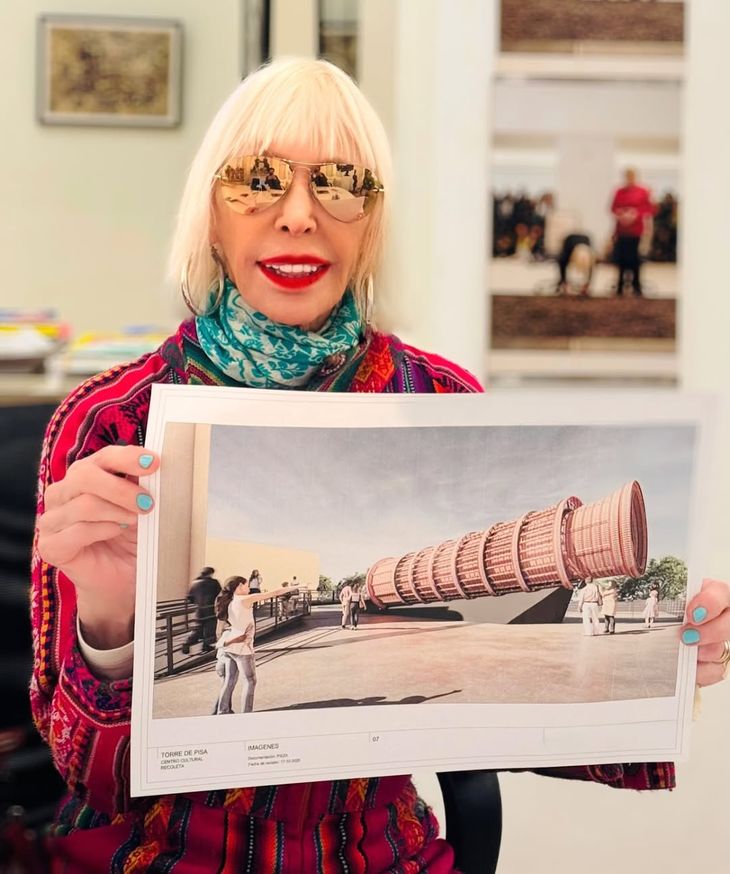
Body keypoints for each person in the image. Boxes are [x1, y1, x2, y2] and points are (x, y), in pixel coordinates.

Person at [32, 57, 730, 872]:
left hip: (375, 855)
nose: (298, 216)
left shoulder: (436, 395)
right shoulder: (107, 424)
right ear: (210, 216)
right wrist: (109, 626)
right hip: (153, 856)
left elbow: (524, 713)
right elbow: (86, 769)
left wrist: (672, 669)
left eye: (339, 183)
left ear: (373, 220)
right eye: (256, 180)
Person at [213, 577, 257, 714]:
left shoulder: (224, 602)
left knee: (228, 681)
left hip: (224, 647)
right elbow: (223, 630)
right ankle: (224, 710)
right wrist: (235, 639)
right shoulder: (235, 603)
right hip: (232, 644)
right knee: (240, 680)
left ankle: (222, 711)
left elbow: (218, 630)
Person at [610, 167, 655, 296]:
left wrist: (635, 214)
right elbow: (613, 207)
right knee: (621, 258)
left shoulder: (642, 191)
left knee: (635, 258)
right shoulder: (619, 191)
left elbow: (649, 209)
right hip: (622, 230)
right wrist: (621, 214)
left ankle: (636, 286)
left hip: (636, 230)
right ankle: (620, 286)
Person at [181, 565, 221, 654]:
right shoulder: (213, 582)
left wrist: (197, 603)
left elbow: (189, 597)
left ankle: (187, 643)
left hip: (199, 609)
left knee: (198, 628)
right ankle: (206, 646)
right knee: (210, 627)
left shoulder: (195, 582)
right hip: (210, 608)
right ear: (211, 573)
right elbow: (219, 594)